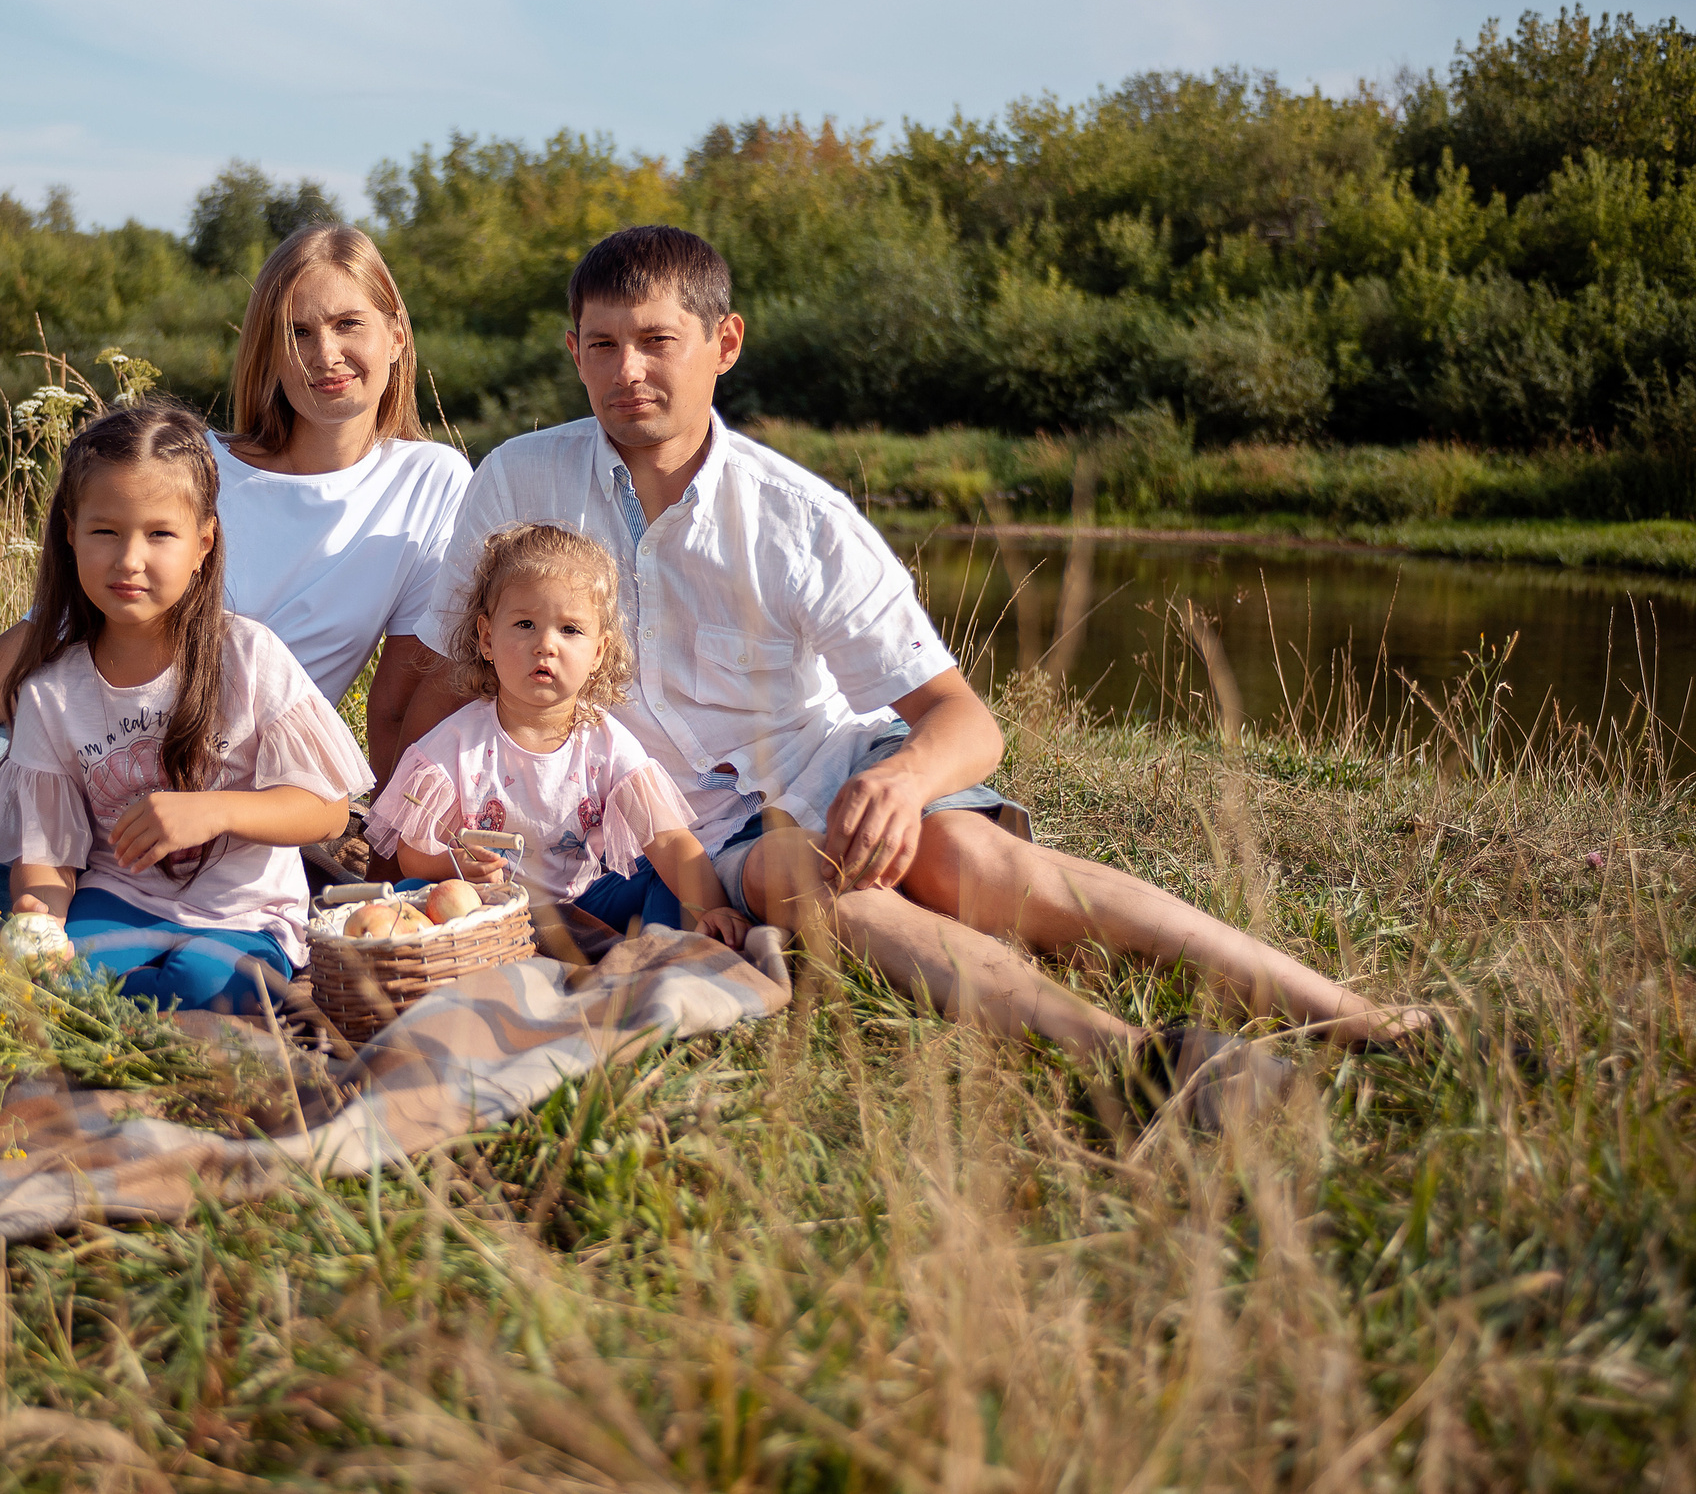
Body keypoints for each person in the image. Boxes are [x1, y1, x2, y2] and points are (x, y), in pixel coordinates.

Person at [395, 225, 1426, 1094]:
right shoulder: (519, 479)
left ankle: (1361, 1018)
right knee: (828, 892)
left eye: (658, 340)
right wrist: (408, 818)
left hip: (835, 762)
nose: (628, 371)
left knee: (977, 860)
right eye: (603, 344)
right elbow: (462, 667)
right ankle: (1143, 1064)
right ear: (572, 348)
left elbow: (964, 720)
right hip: (699, 825)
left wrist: (901, 778)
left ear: (725, 341)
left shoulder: (798, 516)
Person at [0, 225, 469, 917]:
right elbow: (44, 636)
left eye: (349, 323)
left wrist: (389, 859)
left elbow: (401, 696)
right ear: (270, 354)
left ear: (396, 334)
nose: (325, 354)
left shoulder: (429, 481)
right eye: (297, 334)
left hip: (210, 790)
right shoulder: (196, 465)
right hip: (63, 746)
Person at [0, 395, 373, 1012]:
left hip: (242, 913)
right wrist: (35, 914)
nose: (129, 560)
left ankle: (139, 1027)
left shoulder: (249, 656)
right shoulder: (52, 690)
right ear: (69, 534)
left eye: (160, 534)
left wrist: (212, 812)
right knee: (66, 986)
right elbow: (49, 857)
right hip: (117, 897)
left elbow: (327, 812)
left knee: (207, 986)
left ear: (203, 543)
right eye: (105, 531)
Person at [366, 522, 749, 943]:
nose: (546, 644)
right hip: (487, 910)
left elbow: (670, 842)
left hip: (580, 907)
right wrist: (452, 863)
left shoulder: (604, 742)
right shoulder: (459, 742)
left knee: (663, 880)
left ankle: (661, 955)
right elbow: (412, 854)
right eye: (526, 624)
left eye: (570, 630)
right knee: (409, 894)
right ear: (487, 638)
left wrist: (715, 907)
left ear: (598, 652)